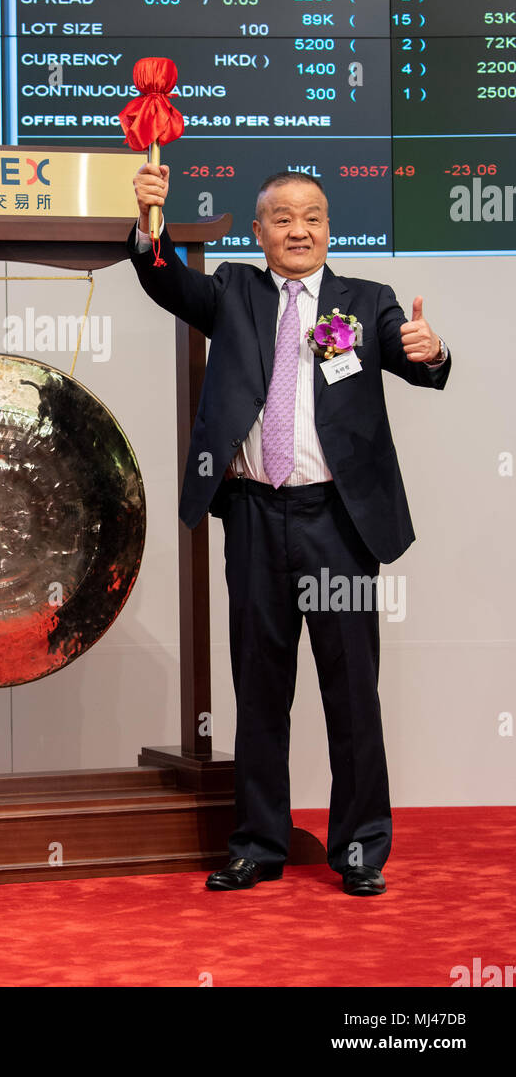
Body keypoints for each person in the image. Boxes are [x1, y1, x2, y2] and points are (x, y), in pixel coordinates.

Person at [129, 166, 450, 896]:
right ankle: (256, 843)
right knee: (260, 689)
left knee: (350, 691)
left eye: (311, 217)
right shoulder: (233, 293)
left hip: (334, 524)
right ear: (258, 231)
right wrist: (150, 220)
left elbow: (413, 359)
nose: (298, 230)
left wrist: (432, 351)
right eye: (281, 218)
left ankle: (361, 847)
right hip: (251, 515)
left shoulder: (366, 302)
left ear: (327, 227)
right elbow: (161, 278)